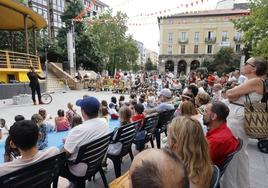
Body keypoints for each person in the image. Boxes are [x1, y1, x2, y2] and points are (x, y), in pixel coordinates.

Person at [223, 57, 267, 188]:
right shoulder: (252, 81)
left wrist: (232, 93)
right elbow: (230, 95)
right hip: (237, 116)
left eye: (247, 63)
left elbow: (229, 93)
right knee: (239, 155)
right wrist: (232, 94)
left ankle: (231, 185)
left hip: (237, 118)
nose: (244, 64)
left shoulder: (255, 81)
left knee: (233, 156)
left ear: (254, 68)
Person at [60, 96, 109, 180]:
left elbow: (64, 155)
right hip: (96, 161)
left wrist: (67, 144)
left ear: (83, 112)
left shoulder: (77, 130)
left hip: (80, 170)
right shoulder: (104, 122)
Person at [167, 116, 213, 188]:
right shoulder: (199, 163)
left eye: (168, 135)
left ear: (176, 143)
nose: (167, 139)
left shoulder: (186, 179)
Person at [203, 102, 239, 167]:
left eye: (206, 112)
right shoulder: (223, 131)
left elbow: (199, 162)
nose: (203, 114)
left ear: (213, 116)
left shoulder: (216, 140)